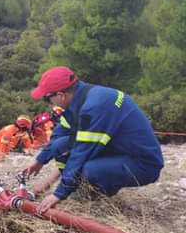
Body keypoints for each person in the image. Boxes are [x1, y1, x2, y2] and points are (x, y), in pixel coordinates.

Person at [24, 66, 164, 214]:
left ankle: (93, 197)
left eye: (48, 98)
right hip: (118, 150)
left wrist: (59, 193)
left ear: (61, 95)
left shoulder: (95, 106)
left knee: (89, 170)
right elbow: (59, 135)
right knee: (60, 145)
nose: (51, 103)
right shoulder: (82, 98)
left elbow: (80, 152)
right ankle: (80, 184)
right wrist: (40, 160)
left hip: (143, 163)